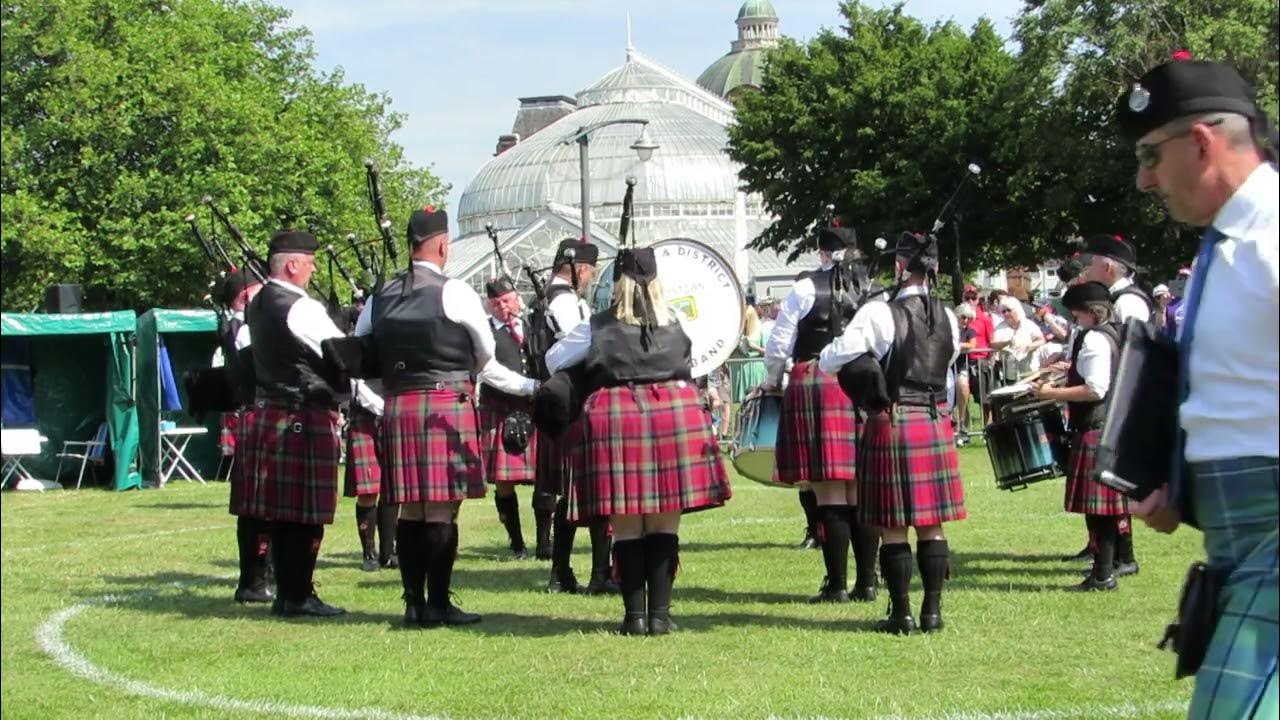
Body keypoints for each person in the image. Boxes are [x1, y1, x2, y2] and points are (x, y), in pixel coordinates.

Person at [1119, 55, 1278, 719]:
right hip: (1236, 540)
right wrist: (1178, 490)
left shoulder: (1272, 238)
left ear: (1203, 143)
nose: (1145, 178)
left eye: (1152, 154)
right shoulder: (1228, 242)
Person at [355, 206, 538, 627]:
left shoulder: (380, 296)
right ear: (441, 244)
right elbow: (485, 354)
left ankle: (413, 604)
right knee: (440, 510)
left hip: (399, 405)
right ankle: (437, 602)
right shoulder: (454, 292)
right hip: (444, 404)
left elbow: (360, 348)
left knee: (411, 510)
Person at [545, 245, 732, 635]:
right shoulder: (676, 319)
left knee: (628, 523)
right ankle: (660, 618)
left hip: (617, 415)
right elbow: (690, 359)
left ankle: (634, 618)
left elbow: (553, 361)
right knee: (665, 522)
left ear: (618, 284)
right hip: (675, 412)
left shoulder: (595, 325)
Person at [818, 231, 964, 635]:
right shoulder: (950, 317)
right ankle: (932, 613)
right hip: (934, 421)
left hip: (892, 420)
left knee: (893, 524)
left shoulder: (880, 314)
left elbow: (833, 360)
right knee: (932, 523)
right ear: (932, 271)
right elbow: (948, 369)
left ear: (900, 266)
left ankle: (901, 614)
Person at [762, 225, 880, 603]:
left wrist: (772, 380)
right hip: (864, 382)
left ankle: (837, 585)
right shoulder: (876, 290)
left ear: (822, 252)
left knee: (830, 488)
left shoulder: (805, 288)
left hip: (817, 378)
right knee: (859, 488)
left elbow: (779, 343)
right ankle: (868, 582)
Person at [242, 230, 353, 618]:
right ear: (292, 265)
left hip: (275, 410)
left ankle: (288, 594)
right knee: (306, 513)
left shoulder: (256, 304)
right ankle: (298, 595)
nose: (313, 269)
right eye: (309, 262)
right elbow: (342, 355)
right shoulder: (301, 307)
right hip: (303, 411)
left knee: (285, 513)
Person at [1030, 282, 1135, 590]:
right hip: (1111, 427)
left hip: (1096, 428)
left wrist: (1051, 392)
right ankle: (1107, 569)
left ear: (1090, 312)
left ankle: (1103, 575)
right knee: (1105, 508)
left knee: (1099, 510)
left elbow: (1094, 389)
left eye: (1076, 314)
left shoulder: (1095, 340)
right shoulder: (1112, 334)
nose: (1074, 319)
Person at [534, 238, 616, 595]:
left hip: (560, 402)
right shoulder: (564, 301)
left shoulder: (554, 299)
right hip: (574, 402)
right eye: (589, 272)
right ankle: (594, 573)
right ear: (579, 268)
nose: (590, 278)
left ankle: (562, 572)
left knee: (572, 492)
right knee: (591, 490)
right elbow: (575, 348)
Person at [212, 269, 273, 604]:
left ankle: (262, 576)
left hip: (257, 416)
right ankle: (254, 580)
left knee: (263, 505)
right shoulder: (245, 329)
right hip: (259, 415)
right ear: (245, 296)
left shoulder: (244, 326)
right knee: (259, 507)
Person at [480, 276, 547, 560]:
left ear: (516, 298)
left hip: (534, 409)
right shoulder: (484, 331)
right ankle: (517, 543)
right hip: (500, 408)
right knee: (504, 481)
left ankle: (545, 543)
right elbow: (488, 370)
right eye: (496, 303)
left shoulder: (532, 326)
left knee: (544, 476)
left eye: (506, 300)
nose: (502, 307)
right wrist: (530, 386)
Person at [344, 376, 395, 573]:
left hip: (392, 416)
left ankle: (389, 553)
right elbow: (355, 382)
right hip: (365, 418)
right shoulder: (354, 344)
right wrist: (384, 409)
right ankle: (369, 553)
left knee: (392, 488)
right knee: (368, 490)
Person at [1085, 234, 1154, 324]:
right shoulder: (1116, 298)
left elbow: (1133, 337)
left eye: (1092, 264)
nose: (1088, 269)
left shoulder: (1128, 303)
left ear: (1107, 268)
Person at [990, 296, 1045, 382]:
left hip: (1029, 369)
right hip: (1009, 372)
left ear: (1016, 309)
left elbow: (1041, 340)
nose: (1006, 314)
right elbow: (993, 344)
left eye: (1009, 310)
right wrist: (1007, 342)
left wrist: (1029, 346)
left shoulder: (1028, 324)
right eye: (1003, 311)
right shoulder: (1000, 327)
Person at [732, 300, 767, 410]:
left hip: (755, 368)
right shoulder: (735, 332)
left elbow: (767, 351)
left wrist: (753, 346)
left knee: (756, 402)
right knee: (742, 404)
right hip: (739, 369)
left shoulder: (760, 329)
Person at [953, 303, 978, 445]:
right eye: (963, 317)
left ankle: (963, 427)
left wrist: (959, 345)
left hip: (962, 366)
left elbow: (972, 345)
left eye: (969, 318)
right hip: (948, 367)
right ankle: (953, 428)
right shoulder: (950, 329)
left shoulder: (970, 331)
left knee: (963, 390)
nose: (966, 321)